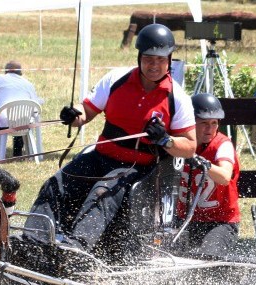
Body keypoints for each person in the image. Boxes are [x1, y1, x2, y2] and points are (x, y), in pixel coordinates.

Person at [23, 24, 197, 253]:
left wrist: (166, 140)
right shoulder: (117, 79)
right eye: (148, 59)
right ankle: (32, 242)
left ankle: (77, 250)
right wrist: (74, 115)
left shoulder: (178, 98)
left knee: (102, 192)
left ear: (169, 60)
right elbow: (86, 111)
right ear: (139, 57)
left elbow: (190, 147)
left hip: (138, 168)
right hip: (100, 156)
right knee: (57, 182)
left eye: (160, 60)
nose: (154, 65)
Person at [177, 92, 241, 259]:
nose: (210, 129)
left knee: (208, 259)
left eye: (214, 123)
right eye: (204, 123)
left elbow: (225, 176)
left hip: (220, 222)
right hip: (185, 220)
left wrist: (203, 163)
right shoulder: (180, 143)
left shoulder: (222, 145)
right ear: (190, 122)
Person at [0, 60, 45, 157]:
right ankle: (18, 152)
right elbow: (35, 107)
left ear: (6, 71)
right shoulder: (28, 84)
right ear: (20, 72)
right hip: (24, 123)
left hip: (3, 123)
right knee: (21, 119)